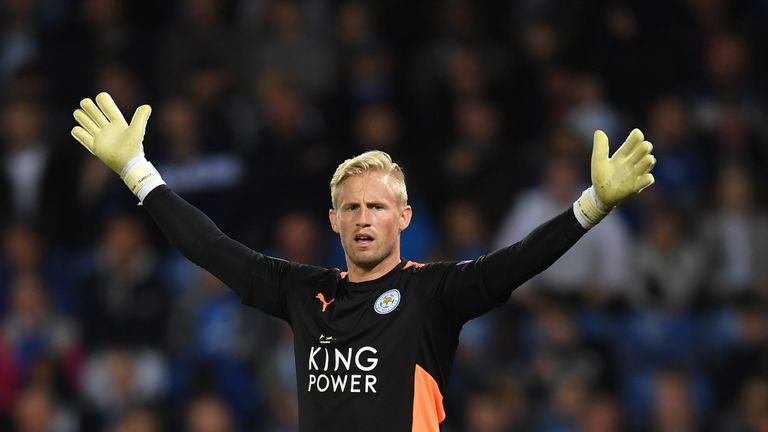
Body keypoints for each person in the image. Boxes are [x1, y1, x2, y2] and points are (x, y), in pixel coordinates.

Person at [70, 92, 656, 431]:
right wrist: (135, 172)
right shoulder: (303, 291)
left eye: (377, 205)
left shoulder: (433, 294)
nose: (363, 217)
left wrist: (592, 204)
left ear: (403, 217)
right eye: (350, 207)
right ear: (334, 221)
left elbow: (516, 263)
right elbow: (211, 248)